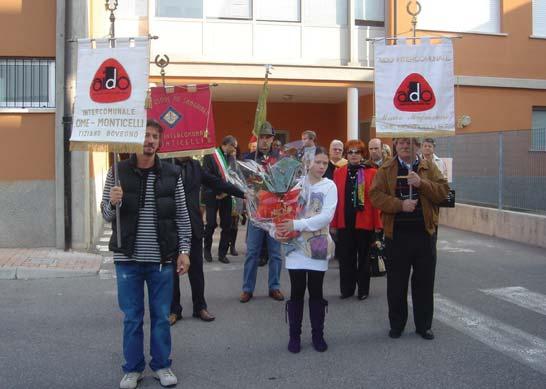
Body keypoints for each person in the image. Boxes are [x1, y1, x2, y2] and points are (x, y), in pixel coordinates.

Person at [101, 120, 191, 389]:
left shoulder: (173, 174)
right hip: (127, 258)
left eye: (154, 136)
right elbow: (106, 215)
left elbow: (182, 216)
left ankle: (162, 365)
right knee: (132, 316)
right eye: (145, 135)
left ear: (159, 142)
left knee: (162, 316)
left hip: (162, 259)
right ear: (135, 140)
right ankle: (133, 368)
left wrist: (184, 250)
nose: (149, 140)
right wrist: (113, 201)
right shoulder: (117, 172)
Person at [369, 137, 449, 340]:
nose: (406, 146)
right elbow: (375, 195)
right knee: (396, 283)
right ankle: (397, 324)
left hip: (425, 234)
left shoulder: (429, 167)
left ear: (418, 146)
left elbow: (443, 193)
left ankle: (424, 326)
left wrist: (421, 183)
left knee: (424, 283)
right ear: (396, 145)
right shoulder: (386, 169)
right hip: (397, 235)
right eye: (402, 142)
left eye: (411, 143)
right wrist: (399, 205)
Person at [275, 146, 338, 353]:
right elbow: (277, 213)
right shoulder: (294, 185)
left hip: (318, 242)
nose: (321, 166)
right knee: (297, 290)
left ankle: (318, 335)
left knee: (317, 291)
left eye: (325, 163)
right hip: (295, 245)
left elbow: (326, 217)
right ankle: (295, 336)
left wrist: (297, 225)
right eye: (318, 162)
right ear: (307, 162)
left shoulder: (329, 186)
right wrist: (274, 230)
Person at [169, 155, 245, 325]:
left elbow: (216, 182)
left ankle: (200, 307)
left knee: (196, 271)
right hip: (172, 228)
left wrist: (243, 193)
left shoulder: (195, 165)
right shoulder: (164, 164)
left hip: (194, 226)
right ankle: (173, 310)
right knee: (171, 273)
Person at [331, 139, 382, 300]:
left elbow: (375, 201)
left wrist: (377, 224)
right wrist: (333, 223)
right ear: (347, 154)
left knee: (364, 257)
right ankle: (347, 289)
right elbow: (335, 200)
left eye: (357, 152)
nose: (353, 155)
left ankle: (363, 290)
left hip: (364, 221)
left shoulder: (371, 172)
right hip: (345, 221)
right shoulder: (339, 172)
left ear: (362, 154)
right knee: (346, 257)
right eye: (350, 152)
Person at [240, 121, 284, 303]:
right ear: (257, 139)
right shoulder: (247, 158)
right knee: (252, 252)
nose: (265, 141)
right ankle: (247, 289)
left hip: (275, 214)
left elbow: (286, 184)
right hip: (256, 213)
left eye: (268, 137)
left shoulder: (281, 159)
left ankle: (274, 287)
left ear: (273, 139)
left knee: (275, 253)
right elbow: (241, 183)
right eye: (262, 137)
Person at [202, 135, 239, 264]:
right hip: (212, 194)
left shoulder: (232, 158)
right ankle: (206, 250)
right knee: (211, 223)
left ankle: (222, 253)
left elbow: (235, 176)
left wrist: (226, 192)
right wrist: (219, 191)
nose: (235, 149)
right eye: (234, 146)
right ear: (227, 144)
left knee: (227, 225)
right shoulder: (211, 155)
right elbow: (207, 176)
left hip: (226, 196)